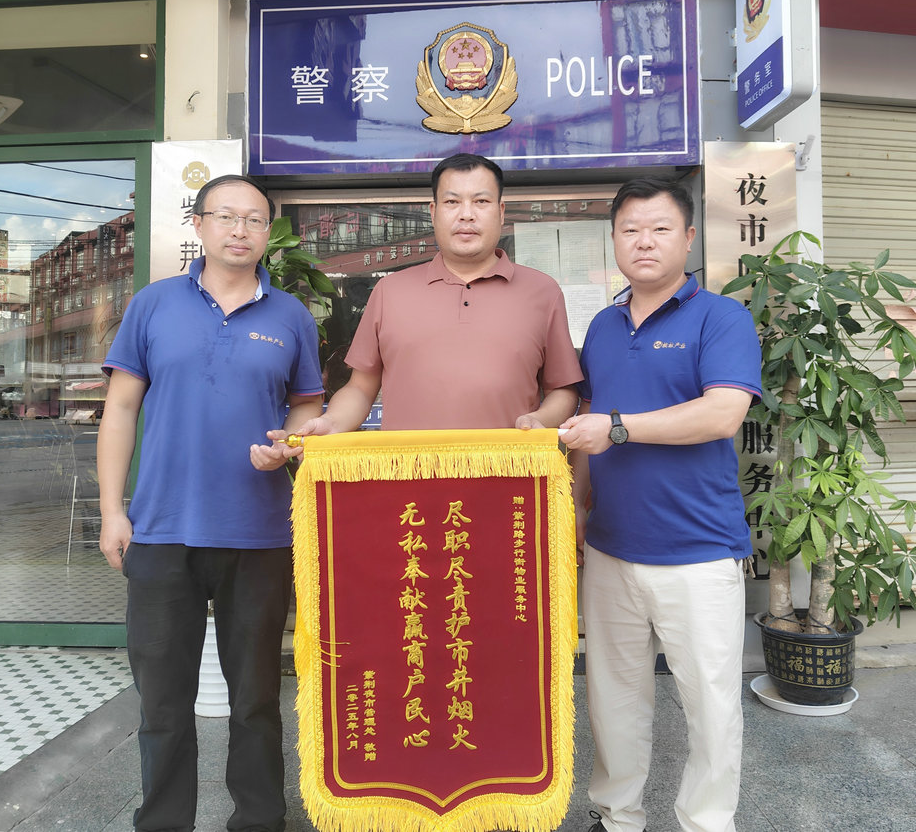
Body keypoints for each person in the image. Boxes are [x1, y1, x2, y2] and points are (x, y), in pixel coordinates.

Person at [98, 174, 324, 832]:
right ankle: (164, 821)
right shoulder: (153, 304)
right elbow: (120, 409)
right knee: (162, 702)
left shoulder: (290, 317)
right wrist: (113, 510)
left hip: (259, 534)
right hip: (160, 530)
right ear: (198, 225)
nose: (239, 230)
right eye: (225, 216)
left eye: (254, 219)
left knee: (255, 699)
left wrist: (289, 444)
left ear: (268, 234)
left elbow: (307, 406)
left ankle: (259, 820)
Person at [560, 177, 762, 832]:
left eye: (660, 229)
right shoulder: (602, 326)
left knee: (710, 707)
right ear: (614, 240)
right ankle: (618, 816)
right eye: (630, 230)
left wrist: (620, 428)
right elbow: (588, 423)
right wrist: (577, 507)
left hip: (698, 552)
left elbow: (722, 413)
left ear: (689, 238)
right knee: (613, 699)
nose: (644, 241)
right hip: (610, 548)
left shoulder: (721, 317)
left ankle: (706, 822)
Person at [294, 152, 582, 435]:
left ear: (501, 211)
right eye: (452, 202)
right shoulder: (389, 292)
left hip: (510, 464)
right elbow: (360, 388)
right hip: (408, 465)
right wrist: (331, 423)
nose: (466, 214)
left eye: (481, 201)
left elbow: (562, 390)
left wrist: (538, 420)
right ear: (433, 212)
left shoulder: (542, 291)